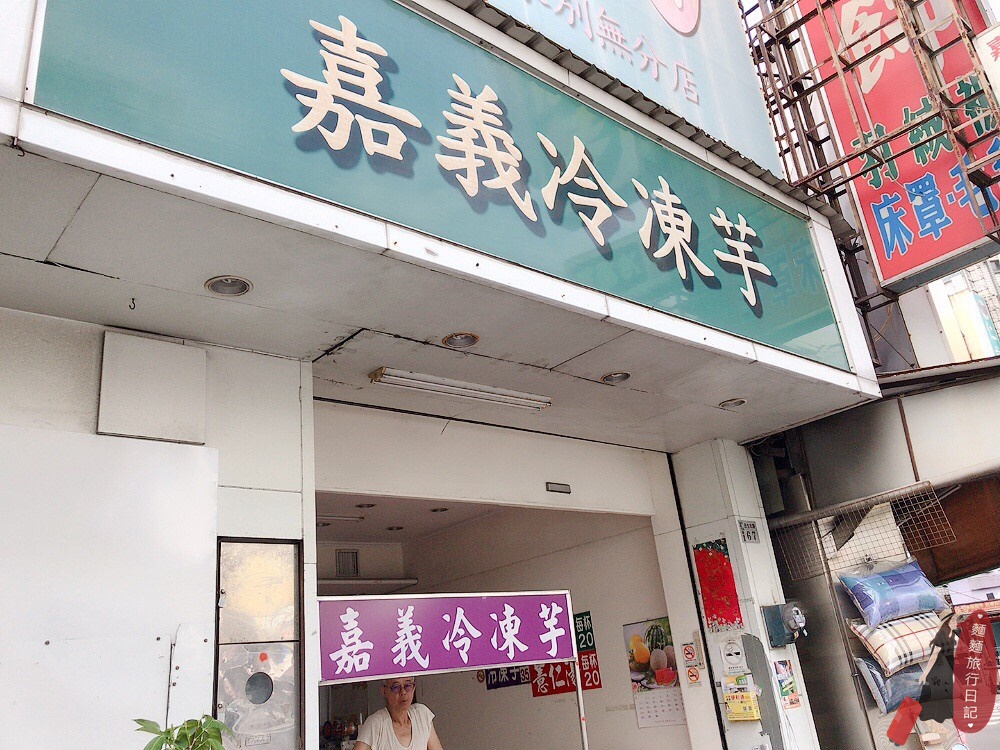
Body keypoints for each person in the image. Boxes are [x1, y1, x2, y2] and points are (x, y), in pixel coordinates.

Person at [354, 676, 444, 750]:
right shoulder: (376, 723)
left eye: (407, 686)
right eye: (396, 687)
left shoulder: (422, 714)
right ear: (384, 691)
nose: (403, 692)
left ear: (413, 688)